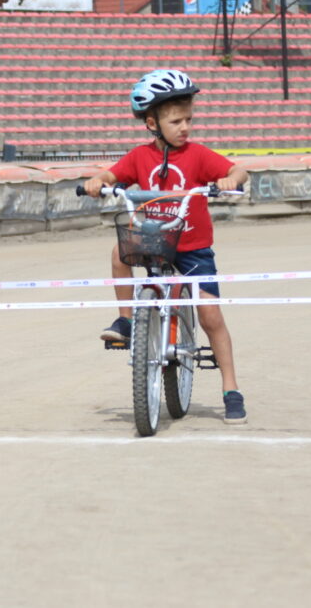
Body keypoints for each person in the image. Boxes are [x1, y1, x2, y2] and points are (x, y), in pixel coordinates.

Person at [82, 69, 250, 424]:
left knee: (210, 315)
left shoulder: (198, 155)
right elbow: (112, 175)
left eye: (188, 119)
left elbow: (238, 172)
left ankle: (231, 389)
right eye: (175, 121)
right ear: (151, 123)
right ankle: (127, 321)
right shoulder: (139, 157)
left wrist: (229, 180)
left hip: (192, 248)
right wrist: (98, 180)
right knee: (118, 252)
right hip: (155, 239)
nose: (184, 127)